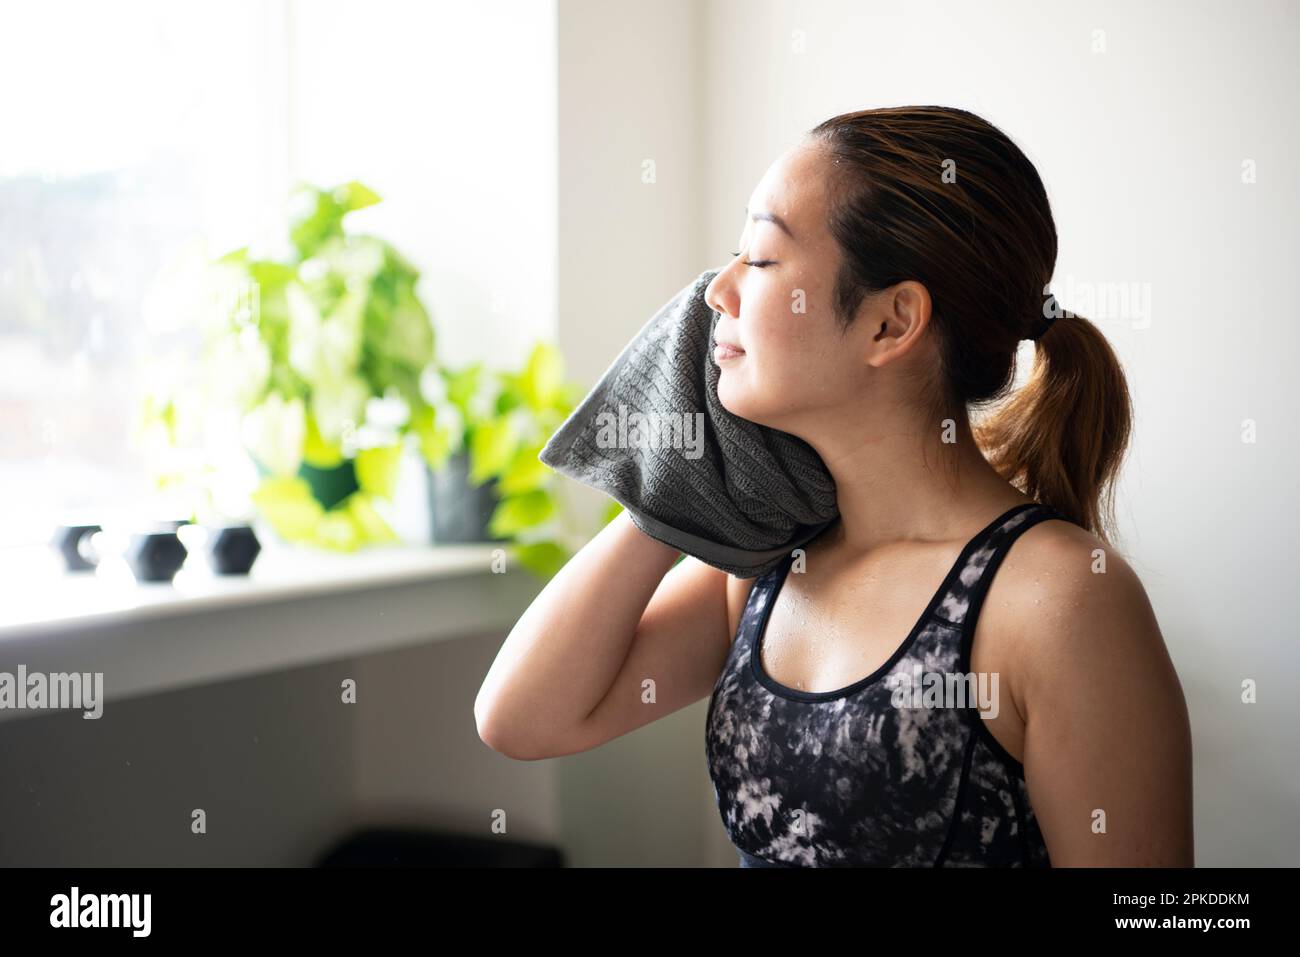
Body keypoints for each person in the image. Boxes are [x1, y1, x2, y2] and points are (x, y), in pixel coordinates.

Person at [475, 106, 1193, 867]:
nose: (716, 291)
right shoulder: (768, 559)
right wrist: (677, 481)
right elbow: (522, 719)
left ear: (891, 323)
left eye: (760, 259)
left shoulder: (1059, 599)